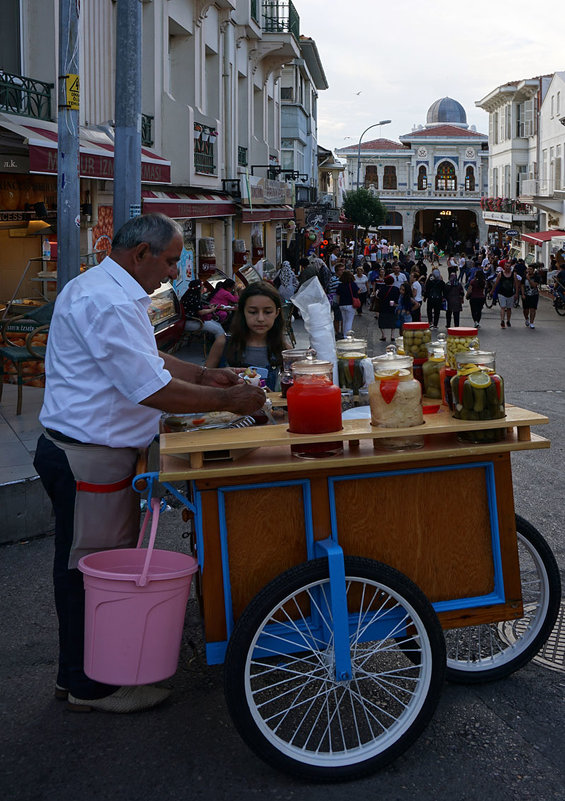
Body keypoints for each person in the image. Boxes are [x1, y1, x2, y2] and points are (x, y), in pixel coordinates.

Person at [33, 214, 265, 714]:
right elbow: (153, 388)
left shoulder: (109, 290)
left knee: (91, 566)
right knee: (87, 571)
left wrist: (207, 376)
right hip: (86, 457)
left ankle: (82, 673)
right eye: (170, 260)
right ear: (140, 253)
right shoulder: (109, 300)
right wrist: (228, 403)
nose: (173, 272)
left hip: (92, 453)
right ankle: (86, 684)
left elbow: (152, 363)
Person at [207, 281, 287, 389]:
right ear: (243, 312)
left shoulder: (283, 349)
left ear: (276, 313)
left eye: (267, 312)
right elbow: (204, 382)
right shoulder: (223, 344)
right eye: (253, 312)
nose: (260, 319)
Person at [181, 278, 228, 367]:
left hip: (191, 320)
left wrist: (207, 306)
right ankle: (219, 354)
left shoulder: (189, 295)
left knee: (217, 326)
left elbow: (198, 307)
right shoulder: (194, 297)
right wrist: (212, 309)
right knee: (219, 330)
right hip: (192, 322)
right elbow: (200, 312)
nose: (203, 288)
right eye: (202, 286)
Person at [493, 262, 519, 328]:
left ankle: (508, 320)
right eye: (506, 266)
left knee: (509, 308)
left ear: (510, 267)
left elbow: (516, 284)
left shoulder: (513, 275)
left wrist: (516, 293)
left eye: (509, 266)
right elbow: (496, 283)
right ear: (504, 266)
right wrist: (492, 291)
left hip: (510, 293)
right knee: (503, 307)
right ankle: (502, 321)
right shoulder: (500, 274)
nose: (507, 268)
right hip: (502, 293)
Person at [376, 274, 400, 342]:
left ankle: (383, 335)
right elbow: (398, 297)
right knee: (393, 320)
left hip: (383, 307)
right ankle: (392, 335)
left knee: (382, 321)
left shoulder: (382, 288)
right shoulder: (396, 289)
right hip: (392, 307)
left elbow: (378, 297)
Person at [336, 269, 360, 336]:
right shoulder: (353, 284)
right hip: (350, 304)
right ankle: (347, 336)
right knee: (349, 321)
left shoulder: (340, 285)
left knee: (344, 320)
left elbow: (338, 295)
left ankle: (344, 334)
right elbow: (358, 292)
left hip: (342, 304)